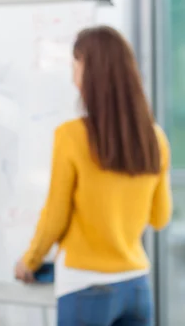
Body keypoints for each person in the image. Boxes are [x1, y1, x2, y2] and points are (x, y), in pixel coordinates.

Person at [14, 26, 172, 326]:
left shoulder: (72, 136)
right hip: (137, 285)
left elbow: (55, 217)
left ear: (87, 67)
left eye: (75, 62)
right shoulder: (156, 138)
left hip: (86, 287)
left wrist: (30, 261)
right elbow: (160, 217)